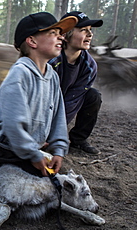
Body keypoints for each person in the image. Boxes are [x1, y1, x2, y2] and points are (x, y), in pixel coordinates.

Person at [0, 12, 77, 210]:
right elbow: (13, 124)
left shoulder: (52, 76)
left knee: (34, 196)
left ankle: (25, 159)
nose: (61, 37)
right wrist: (33, 154)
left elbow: (58, 116)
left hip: (28, 148)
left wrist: (59, 149)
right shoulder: (19, 73)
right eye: (53, 32)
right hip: (1, 148)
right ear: (32, 40)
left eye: (61, 33)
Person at [49, 11, 103, 155]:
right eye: (83, 30)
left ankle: (78, 140)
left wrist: (56, 134)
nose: (90, 35)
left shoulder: (89, 66)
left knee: (93, 96)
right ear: (66, 35)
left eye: (90, 30)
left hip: (66, 101)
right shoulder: (51, 61)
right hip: (46, 103)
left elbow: (72, 101)